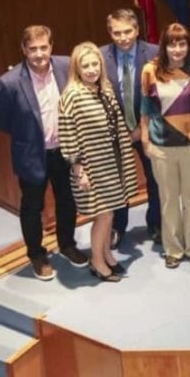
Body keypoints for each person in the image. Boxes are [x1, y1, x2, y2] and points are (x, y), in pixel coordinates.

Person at [0, 25, 88, 280]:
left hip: (64, 149)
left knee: (67, 199)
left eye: (43, 47)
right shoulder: (8, 82)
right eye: (32, 48)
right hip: (32, 154)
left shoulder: (67, 66)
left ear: (51, 46)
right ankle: (36, 254)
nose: (38, 54)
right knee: (32, 206)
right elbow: (0, 120)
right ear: (23, 49)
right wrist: (27, 134)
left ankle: (67, 244)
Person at [59, 42, 138, 282]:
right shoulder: (72, 95)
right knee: (102, 215)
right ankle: (96, 261)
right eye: (86, 65)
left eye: (95, 64)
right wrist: (78, 169)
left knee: (111, 212)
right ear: (77, 68)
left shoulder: (104, 88)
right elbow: (67, 135)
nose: (91, 69)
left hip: (112, 163)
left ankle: (106, 254)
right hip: (92, 167)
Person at [140, 23, 190, 269]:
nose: (177, 49)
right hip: (161, 146)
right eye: (172, 43)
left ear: (188, 46)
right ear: (164, 46)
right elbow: (146, 108)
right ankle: (174, 249)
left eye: (182, 43)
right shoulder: (150, 70)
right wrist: (146, 138)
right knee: (168, 200)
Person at [99, 9, 161, 249]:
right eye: (117, 33)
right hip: (115, 133)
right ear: (110, 33)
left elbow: (163, 98)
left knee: (155, 179)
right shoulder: (100, 57)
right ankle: (118, 226)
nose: (123, 38)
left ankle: (156, 223)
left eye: (128, 32)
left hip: (149, 128)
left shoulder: (155, 54)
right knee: (118, 181)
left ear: (136, 30)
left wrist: (141, 127)